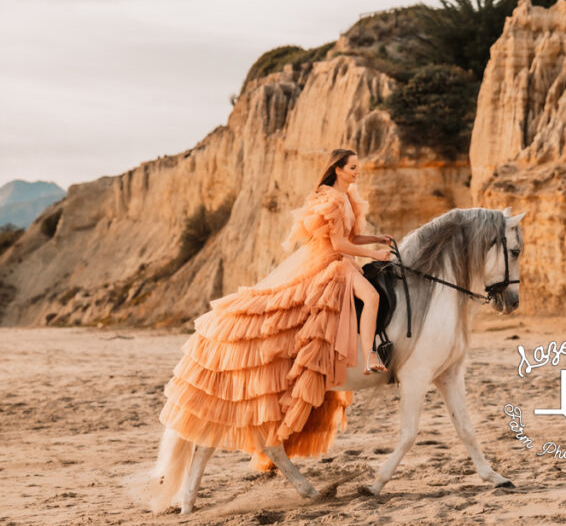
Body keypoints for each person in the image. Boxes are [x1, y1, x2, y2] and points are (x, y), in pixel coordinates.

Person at [157, 148, 393, 472]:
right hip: (334, 263)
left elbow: (350, 234)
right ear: (337, 169)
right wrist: (374, 254)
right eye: (352, 167)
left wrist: (375, 237)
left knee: (369, 295)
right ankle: (369, 354)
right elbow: (338, 245)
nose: (357, 172)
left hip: (345, 260)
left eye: (356, 167)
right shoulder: (330, 201)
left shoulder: (347, 198)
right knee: (372, 297)